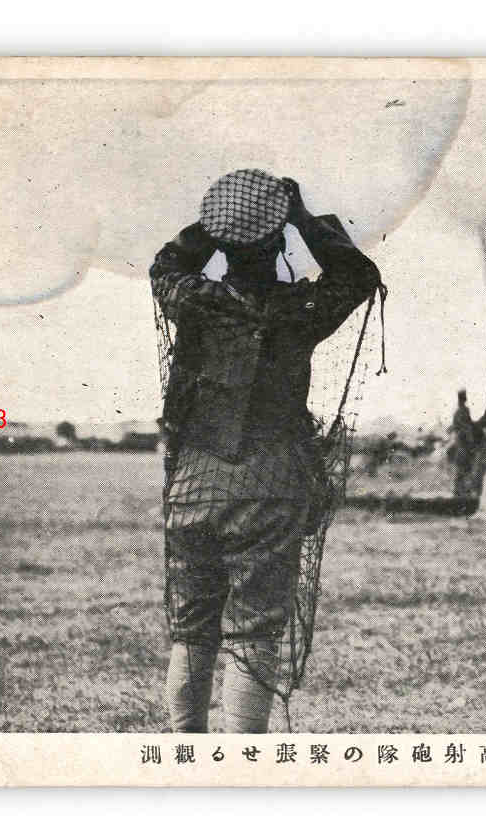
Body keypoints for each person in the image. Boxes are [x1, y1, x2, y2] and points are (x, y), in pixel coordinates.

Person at [151, 169, 381, 733]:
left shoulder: (195, 302)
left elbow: (166, 265)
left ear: (223, 246)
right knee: (254, 634)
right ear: (278, 243)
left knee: (190, 632)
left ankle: (186, 753)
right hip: (271, 486)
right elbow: (357, 274)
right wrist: (298, 216)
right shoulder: (298, 311)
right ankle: (241, 763)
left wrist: (224, 215)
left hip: (193, 487)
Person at [448, 390, 477, 497]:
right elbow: (467, 426)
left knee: (462, 468)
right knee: (465, 468)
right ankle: (462, 491)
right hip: (463, 443)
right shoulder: (464, 411)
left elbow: (462, 426)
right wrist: (471, 439)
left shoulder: (458, 412)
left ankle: (460, 491)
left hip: (461, 443)